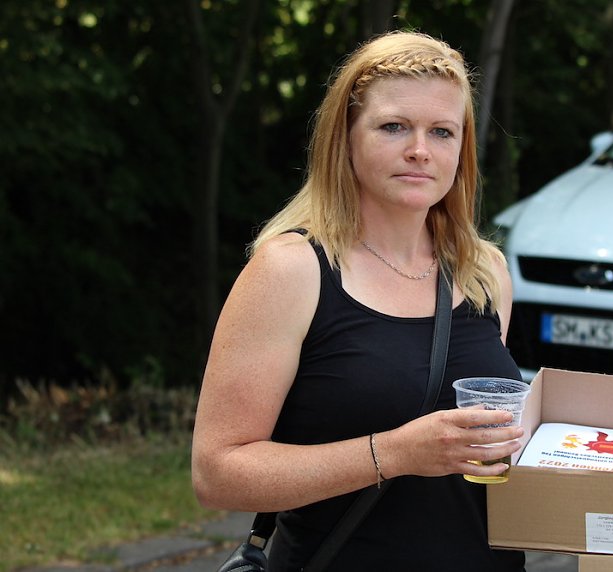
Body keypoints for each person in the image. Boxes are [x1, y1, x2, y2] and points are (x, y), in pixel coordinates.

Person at [191, 30, 526, 572]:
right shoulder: (292, 269)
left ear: (462, 151)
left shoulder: (484, 272)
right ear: (344, 138)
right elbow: (217, 473)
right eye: (394, 126)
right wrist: (393, 453)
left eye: (442, 131)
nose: (420, 149)